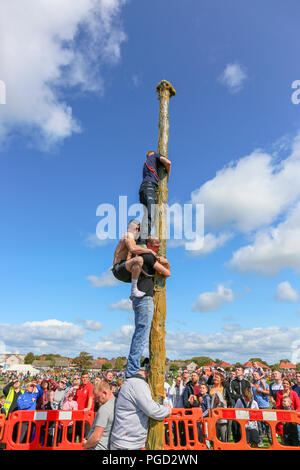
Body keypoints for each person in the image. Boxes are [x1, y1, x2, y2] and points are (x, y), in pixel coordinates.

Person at [125, 236, 171, 378]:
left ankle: (132, 368)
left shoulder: (145, 255)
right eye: (157, 246)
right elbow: (166, 273)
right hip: (145, 298)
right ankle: (132, 370)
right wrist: (166, 262)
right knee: (142, 334)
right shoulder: (149, 256)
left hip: (140, 298)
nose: (158, 249)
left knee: (141, 332)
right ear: (150, 245)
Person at [110, 359, 171, 450]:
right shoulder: (138, 384)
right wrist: (167, 410)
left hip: (125, 440)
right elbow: (151, 410)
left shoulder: (131, 382)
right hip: (127, 443)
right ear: (148, 370)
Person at [112, 219, 158, 299]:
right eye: (135, 228)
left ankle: (136, 295)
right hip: (119, 268)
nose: (136, 231)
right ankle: (134, 291)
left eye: (138, 229)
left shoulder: (134, 240)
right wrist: (150, 250)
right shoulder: (128, 235)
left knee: (147, 269)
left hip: (127, 270)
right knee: (139, 260)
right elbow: (132, 249)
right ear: (129, 227)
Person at [138, 150, 171, 243]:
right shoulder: (154, 156)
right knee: (151, 214)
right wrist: (168, 175)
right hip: (149, 188)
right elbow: (168, 163)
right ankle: (142, 242)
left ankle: (141, 239)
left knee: (150, 215)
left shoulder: (146, 164)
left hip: (144, 189)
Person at [83, 380, 116, 450]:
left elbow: (96, 437)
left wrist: (86, 445)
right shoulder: (116, 403)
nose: (97, 401)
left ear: (104, 393)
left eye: (98, 397)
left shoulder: (104, 409)